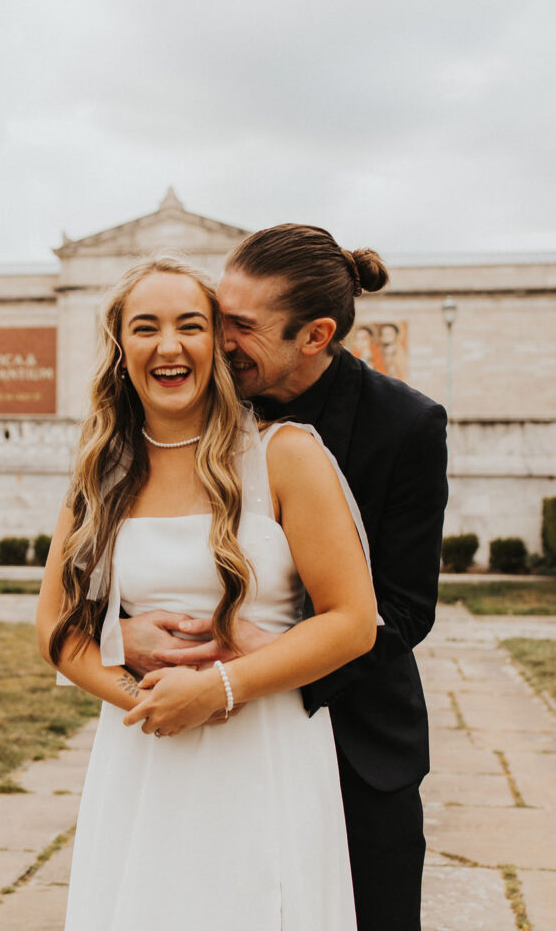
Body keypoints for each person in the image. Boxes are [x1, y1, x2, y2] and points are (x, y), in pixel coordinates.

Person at [36, 255, 378, 930]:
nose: (168, 345)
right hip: (145, 751)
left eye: (189, 325)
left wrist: (219, 690)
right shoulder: (101, 472)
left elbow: (351, 622)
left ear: (216, 343)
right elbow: (55, 628)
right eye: (145, 327)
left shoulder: (284, 454)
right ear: (119, 348)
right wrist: (145, 696)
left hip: (263, 742)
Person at [121, 226, 448, 931]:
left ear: (314, 334)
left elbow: (406, 607)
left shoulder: (407, 426)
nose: (216, 338)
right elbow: (146, 544)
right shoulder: (195, 403)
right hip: (213, 742)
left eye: (238, 324)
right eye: (218, 312)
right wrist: (123, 629)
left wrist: (271, 656)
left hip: (355, 736)